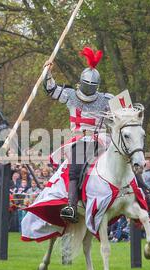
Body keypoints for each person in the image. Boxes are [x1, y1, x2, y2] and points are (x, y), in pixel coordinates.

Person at [43, 47, 114, 223]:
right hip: (81, 140)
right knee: (75, 168)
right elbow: (51, 88)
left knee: (127, 159)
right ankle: (71, 206)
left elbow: (126, 113)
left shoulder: (106, 99)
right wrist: (47, 71)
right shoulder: (71, 96)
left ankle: (143, 192)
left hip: (101, 141)